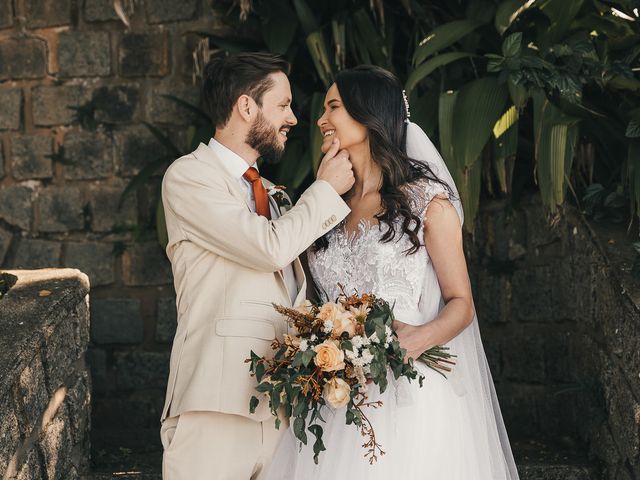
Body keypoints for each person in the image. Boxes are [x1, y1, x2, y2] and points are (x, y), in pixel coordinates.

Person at [264, 65, 520, 479]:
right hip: (338, 393)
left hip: (409, 393)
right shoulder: (328, 206)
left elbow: (462, 303)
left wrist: (417, 339)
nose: (321, 120)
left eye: (333, 107)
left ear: (368, 115)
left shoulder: (426, 202)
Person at [159, 52, 355, 480]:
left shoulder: (272, 192)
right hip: (217, 400)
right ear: (247, 106)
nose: (293, 119)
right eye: (282, 105)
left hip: (282, 403)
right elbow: (266, 248)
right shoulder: (189, 177)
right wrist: (324, 189)